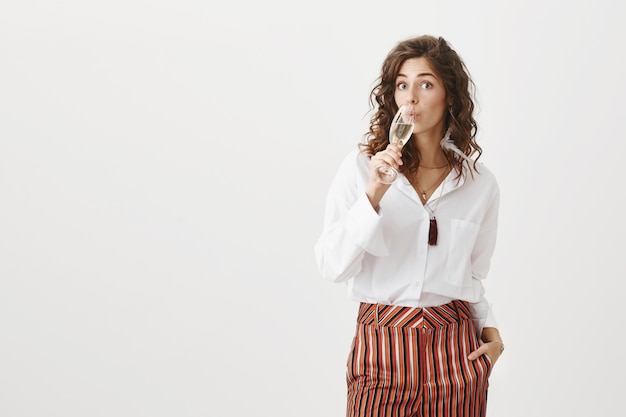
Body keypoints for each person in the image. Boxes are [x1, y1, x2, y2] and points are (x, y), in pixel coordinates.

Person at [314, 35, 504, 417]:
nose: (410, 97)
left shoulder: (479, 183)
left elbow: (472, 275)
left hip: (455, 354)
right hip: (381, 352)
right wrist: (373, 195)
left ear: (450, 95)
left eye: (426, 84)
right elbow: (331, 265)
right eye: (402, 84)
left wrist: (493, 333)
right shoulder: (360, 169)